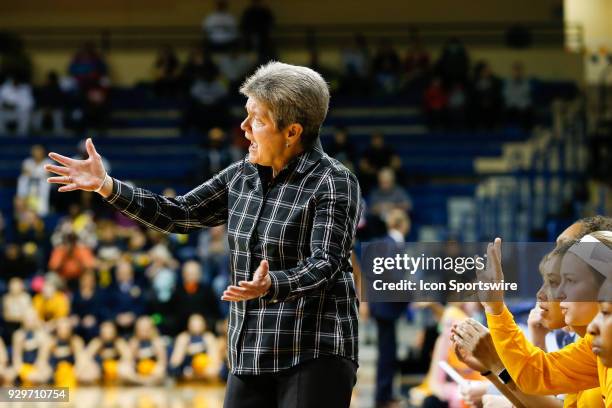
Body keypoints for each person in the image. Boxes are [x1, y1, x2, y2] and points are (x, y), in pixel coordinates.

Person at [46, 61, 361, 407]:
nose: (243, 128)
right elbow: (179, 213)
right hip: (250, 350)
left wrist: (274, 284)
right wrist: (107, 186)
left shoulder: (333, 181)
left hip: (314, 350)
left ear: (292, 132)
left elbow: (326, 262)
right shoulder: (241, 174)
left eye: (257, 119)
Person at [169, 314, 221, 381]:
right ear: (188, 325)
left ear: (204, 325)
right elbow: (174, 363)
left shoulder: (209, 337)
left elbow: (215, 360)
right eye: (194, 325)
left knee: (212, 371)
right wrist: (185, 349)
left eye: (199, 324)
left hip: (204, 369)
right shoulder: (183, 337)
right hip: (187, 369)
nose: (196, 327)